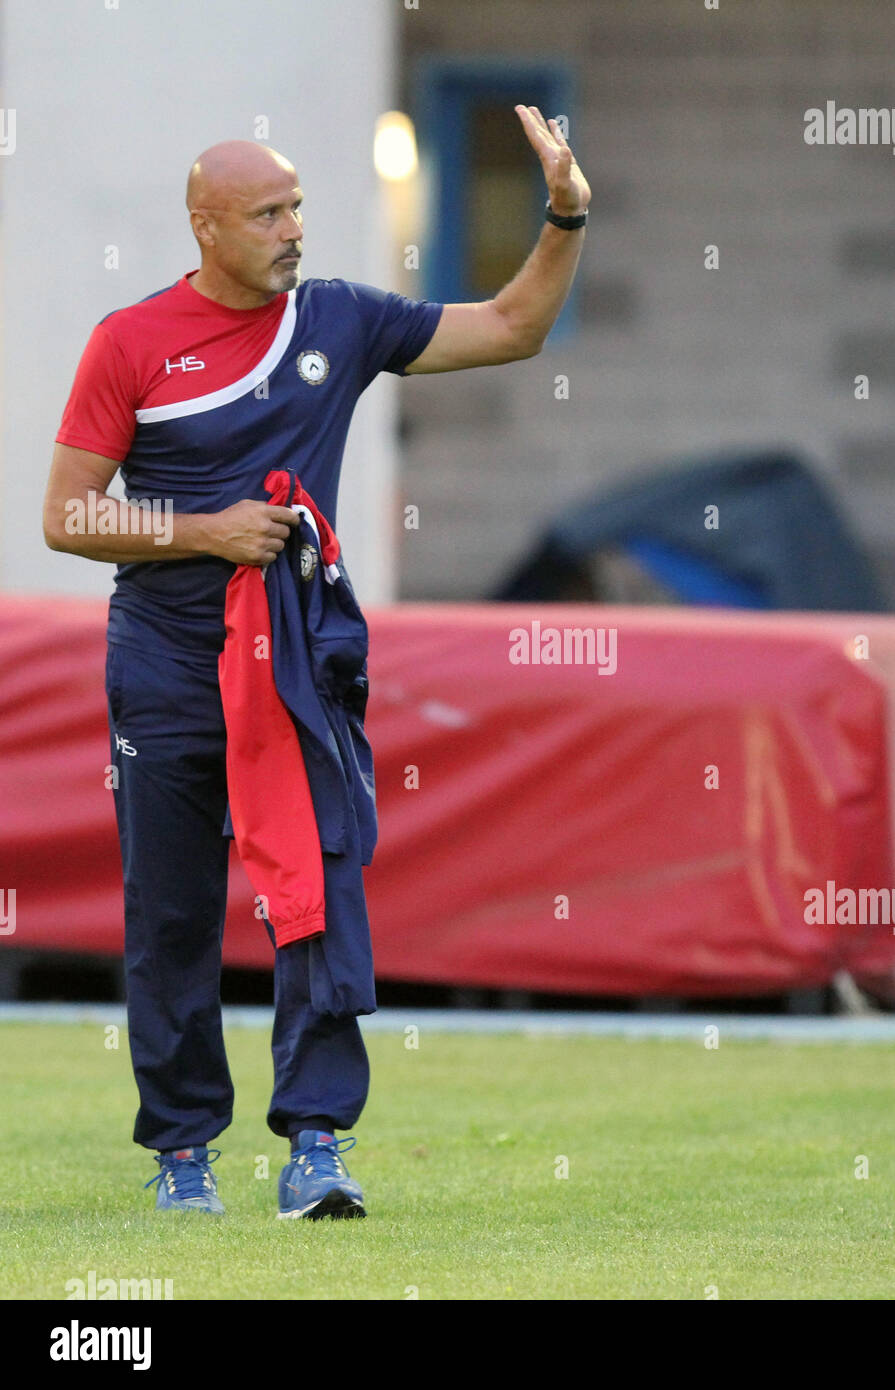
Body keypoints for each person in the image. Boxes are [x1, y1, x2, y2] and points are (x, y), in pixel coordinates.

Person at [42, 109, 589, 1219]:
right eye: (268, 213)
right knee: (175, 911)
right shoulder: (130, 341)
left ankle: (317, 1144)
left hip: (297, 653)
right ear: (206, 226)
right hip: (165, 657)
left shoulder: (339, 318)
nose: (295, 228)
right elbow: (66, 516)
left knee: (316, 891)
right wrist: (205, 530)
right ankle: (184, 1150)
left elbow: (513, 327)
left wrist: (567, 212)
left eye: (298, 206)